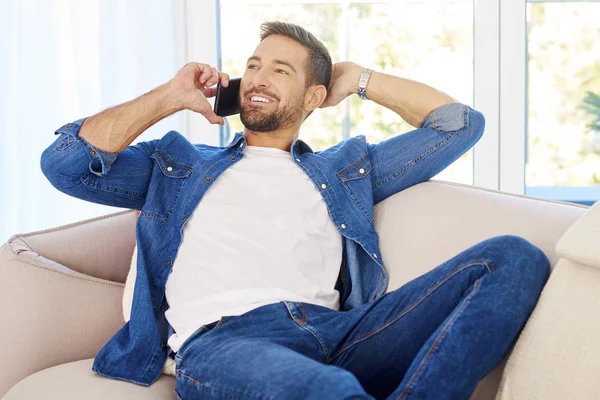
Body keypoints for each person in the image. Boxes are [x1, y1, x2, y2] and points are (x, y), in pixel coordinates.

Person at [41, 21, 550, 400]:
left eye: (281, 70)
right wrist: (171, 97)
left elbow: (459, 125)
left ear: (314, 96)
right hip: (227, 340)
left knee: (513, 258)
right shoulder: (178, 163)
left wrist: (357, 79)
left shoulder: (346, 170)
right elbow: (66, 165)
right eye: (254, 66)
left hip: (339, 332)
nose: (258, 77)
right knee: (327, 392)